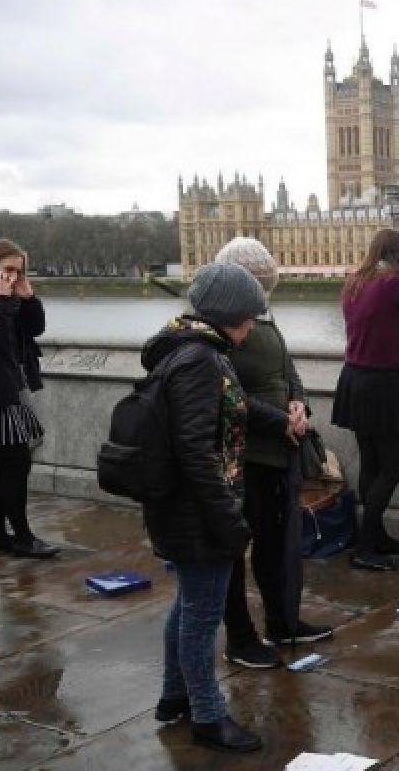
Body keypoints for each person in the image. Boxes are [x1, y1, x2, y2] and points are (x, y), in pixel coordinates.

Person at [144, 262, 289, 754]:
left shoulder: (194, 349)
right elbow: (195, 452)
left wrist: (284, 422)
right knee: (202, 617)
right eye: (249, 316)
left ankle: (173, 697)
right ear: (229, 314)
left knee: (185, 606)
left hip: (186, 510)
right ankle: (208, 716)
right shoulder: (201, 361)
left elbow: (237, 408)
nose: (253, 326)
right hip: (199, 513)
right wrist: (229, 521)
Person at [214, 238, 333, 670]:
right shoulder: (220, 330)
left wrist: (299, 403)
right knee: (236, 551)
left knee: (278, 547)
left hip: (280, 453)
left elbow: (288, 372)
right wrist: (278, 419)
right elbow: (228, 395)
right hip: (247, 458)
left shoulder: (262, 318)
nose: (263, 298)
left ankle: (283, 621)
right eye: (258, 288)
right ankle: (241, 637)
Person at [332, 228, 399, 571]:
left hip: (355, 379)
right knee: (392, 467)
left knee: (371, 463)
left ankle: (375, 537)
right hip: (385, 383)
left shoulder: (353, 283)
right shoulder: (395, 284)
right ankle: (364, 547)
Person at [0, 238, 57, 559]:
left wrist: (28, 297)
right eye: (7, 270)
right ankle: (21, 537)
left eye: (18, 271)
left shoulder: (7, 297)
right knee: (15, 463)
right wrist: (4, 301)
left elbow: (35, 328)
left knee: (1, 465)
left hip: (9, 391)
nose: (12, 277)